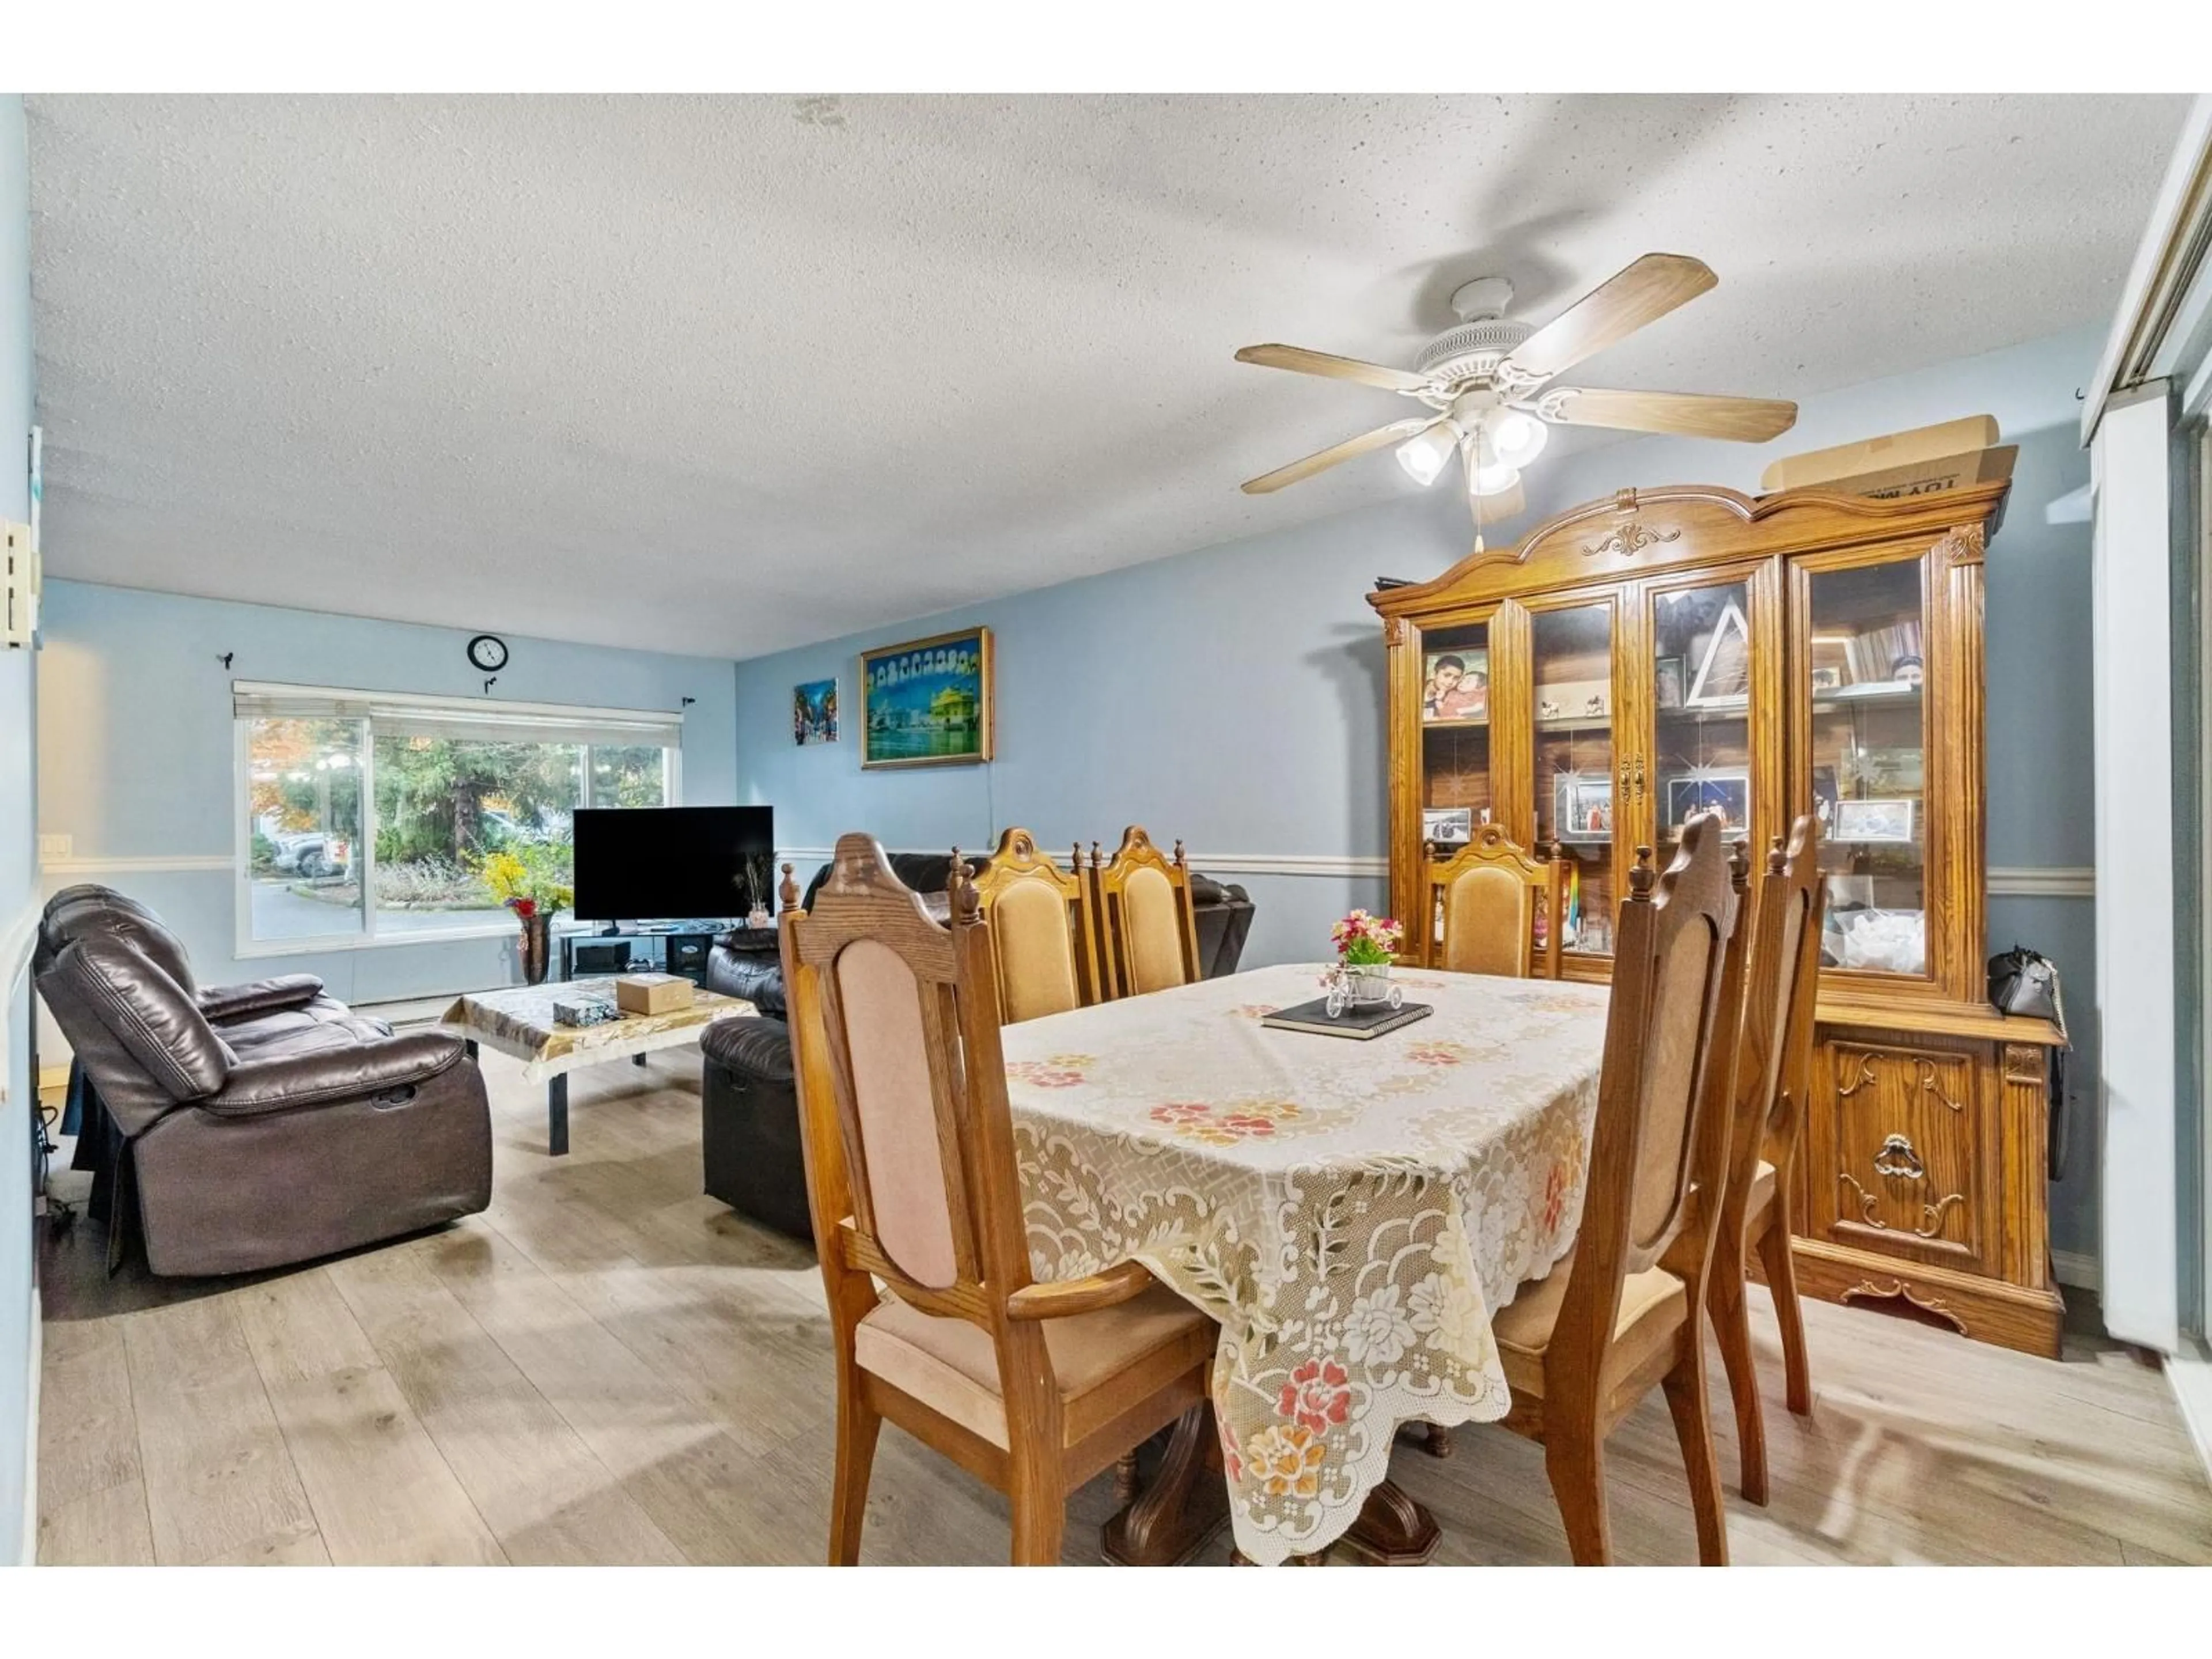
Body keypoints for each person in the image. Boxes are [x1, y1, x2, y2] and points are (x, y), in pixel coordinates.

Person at [1423, 654, 1487, 720]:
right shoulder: (1417, 688)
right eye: (1447, 675)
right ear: (1435, 674)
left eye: (1456, 678)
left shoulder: (1458, 695)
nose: (1450, 682)